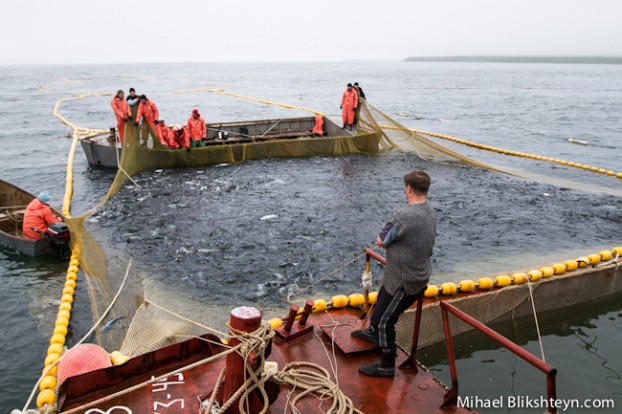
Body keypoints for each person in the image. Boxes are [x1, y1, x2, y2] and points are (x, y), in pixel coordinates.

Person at [352, 170, 436, 377]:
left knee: (384, 321)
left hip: (405, 281)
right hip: (414, 274)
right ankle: (372, 333)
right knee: (381, 301)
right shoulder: (431, 211)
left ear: (408, 188)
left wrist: (380, 240)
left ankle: (386, 364)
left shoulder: (403, 215)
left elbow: (382, 239)